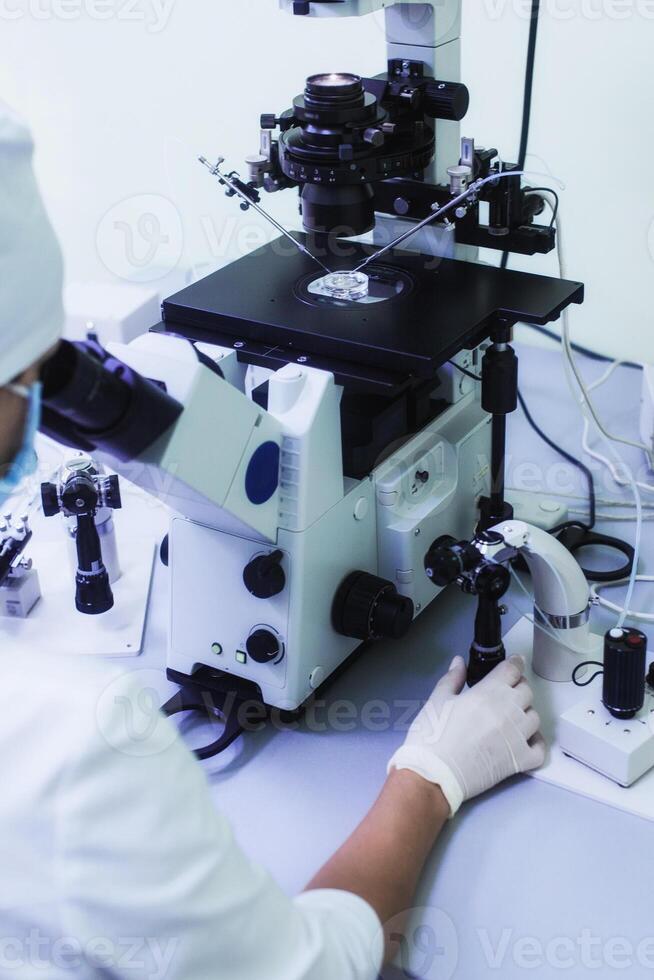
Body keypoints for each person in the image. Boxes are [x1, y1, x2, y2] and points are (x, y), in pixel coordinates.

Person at [0, 101, 546, 980]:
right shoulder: (78, 749)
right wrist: (431, 776)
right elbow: (310, 967)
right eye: (34, 375)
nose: (41, 395)